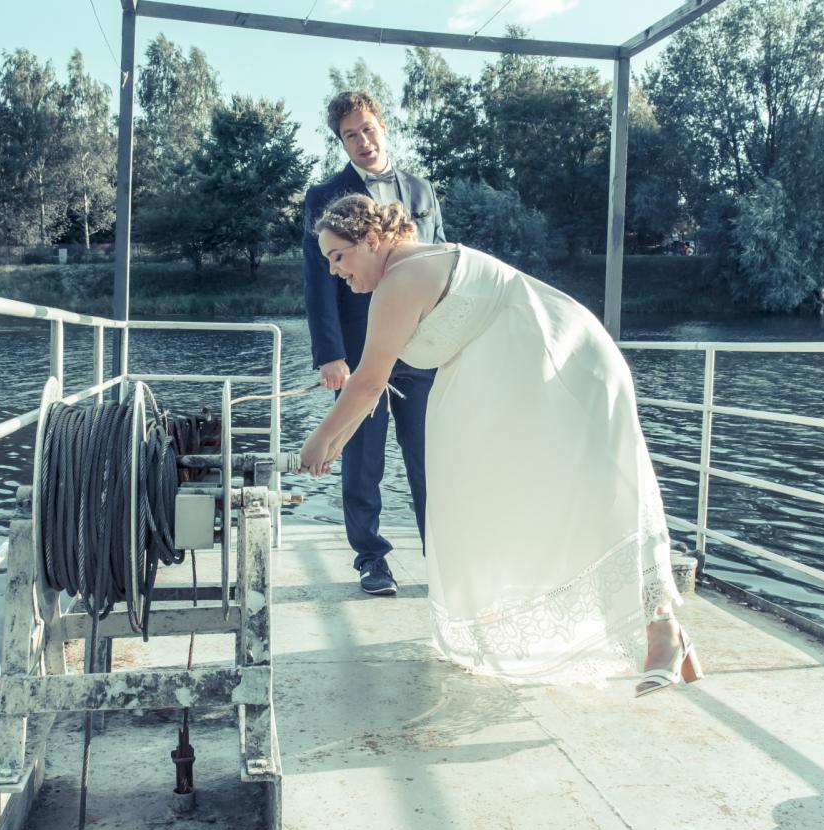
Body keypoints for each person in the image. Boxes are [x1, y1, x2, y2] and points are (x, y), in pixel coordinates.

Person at [298, 194, 702, 694]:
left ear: (374, 241)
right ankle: (663, 633)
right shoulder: (412, 265)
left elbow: (367, 382)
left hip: (564, 367)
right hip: (538, 377)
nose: (336, 272)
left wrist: (318, 443)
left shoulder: (399, 280)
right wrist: (334, 439)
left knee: (601, 495)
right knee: (520, 501)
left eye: (339, 257)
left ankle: (662, 632)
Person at [303, 91, 446, 597]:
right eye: (350, 135)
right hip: (360, 349)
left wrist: (446, 344)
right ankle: (371, 559)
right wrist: (330, 354)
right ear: (340, 142)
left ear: (383, 126)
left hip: (423, 348)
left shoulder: (422, 190)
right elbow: (320, 279)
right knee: (362, 459)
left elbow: (438, 263)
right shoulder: (323, 195)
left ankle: (444, 557)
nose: (362, 142)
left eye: (368, 129)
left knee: (430, 457)